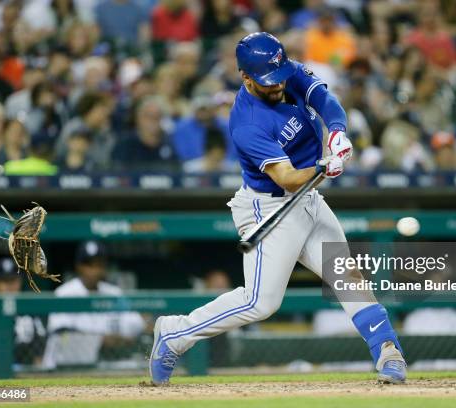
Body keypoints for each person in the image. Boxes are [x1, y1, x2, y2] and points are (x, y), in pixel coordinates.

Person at [149, 32, 406, 385]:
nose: (278, 86)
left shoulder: (285, 70)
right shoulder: (248, 123)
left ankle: (387, 350)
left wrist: (336, 132)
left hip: (309, 198)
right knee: (260, 303)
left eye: (280, 77)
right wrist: (322, 168)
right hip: (270, 209)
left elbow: (326, 101)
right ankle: (174, 334)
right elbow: (285, 177)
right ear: (245, 77)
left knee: (347, 274)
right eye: (268, 82)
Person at [43, 241, 145, 369]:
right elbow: (61, 332)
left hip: (105, 363)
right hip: (67, 365)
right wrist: (100, 340)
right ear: (78, 266)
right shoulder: (64, 294)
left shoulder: (114, 293)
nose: (94, 270)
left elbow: (137, 324)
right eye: (89, 265)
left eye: (99, 265)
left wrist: (122, 336)